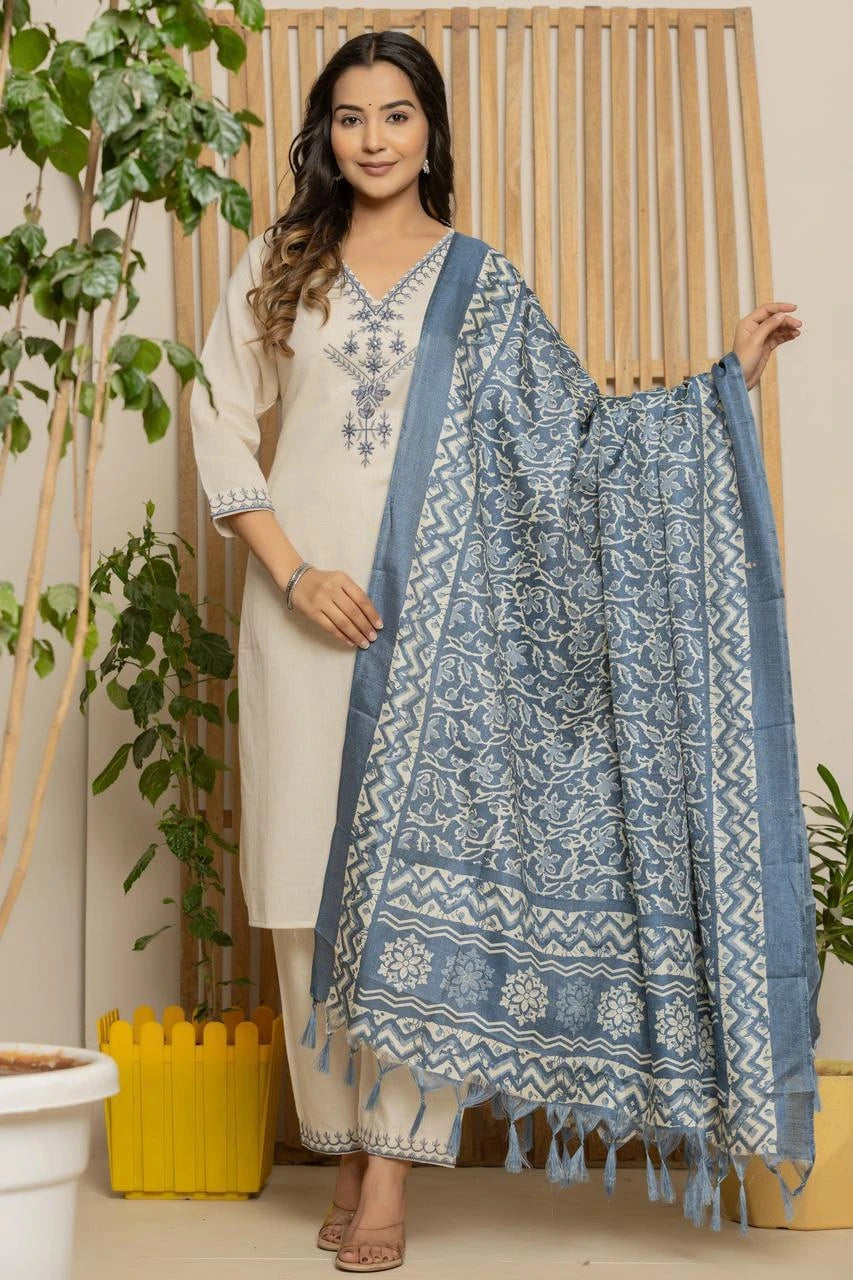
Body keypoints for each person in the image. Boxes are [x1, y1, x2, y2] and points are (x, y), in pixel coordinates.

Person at [191, 29, 809, 1275]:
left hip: (445, 635)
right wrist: (295, 570)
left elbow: (576, 444)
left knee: (426, 895)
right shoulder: (278, 266)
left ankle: (388, 1176)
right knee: (305, 889)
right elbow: (217, 420)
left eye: (398, 114)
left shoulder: (480, 281)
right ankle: (345, 1135)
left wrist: (715, 392)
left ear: (431, 132)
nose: (374, 137)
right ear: (327, 133)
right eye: (352, 116)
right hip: (300, 614)